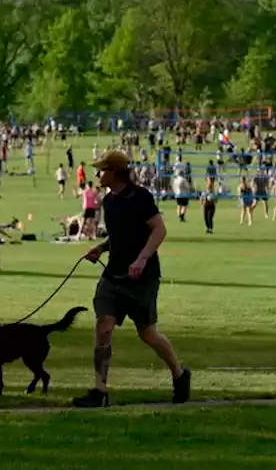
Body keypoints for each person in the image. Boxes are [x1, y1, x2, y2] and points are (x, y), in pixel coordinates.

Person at [73, 149, 189, 408]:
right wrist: (101, 248)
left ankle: (180, 375)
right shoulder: (109, 202)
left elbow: (159, 230)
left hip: (142, 277)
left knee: (148, 334)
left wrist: (142, 259)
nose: (98, 174)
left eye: (102, 170)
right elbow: (118, 236)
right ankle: (100, 391)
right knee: (104, 325)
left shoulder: (140, 197)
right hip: (113, 275)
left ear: (115, 172)